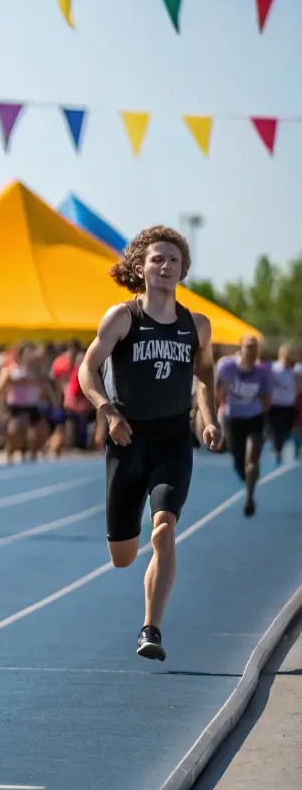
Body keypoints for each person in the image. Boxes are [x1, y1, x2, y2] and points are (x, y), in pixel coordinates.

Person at [78, 226, 222, 662]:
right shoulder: (122, 318)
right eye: (157, 259)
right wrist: (108, 411)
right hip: (127, 439)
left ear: (183, 271)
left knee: (164, 530)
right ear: (140, 267)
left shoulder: (196, 325)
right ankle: (137, 554)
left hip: (173, 440)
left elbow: (206, 374)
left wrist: (209, 419)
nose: (165, 266)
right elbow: (87, 371)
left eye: (173, 260)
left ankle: (151, 629)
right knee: (123, 556)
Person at [216, 334, 272, 516]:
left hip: (254, 417)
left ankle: (249, 498)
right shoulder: (227, 366)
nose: (252, 351)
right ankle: (247, 477)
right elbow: (217, 389)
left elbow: (267, 397)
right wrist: (221, 406)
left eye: (255, 348)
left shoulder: (263, 371)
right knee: (238, 461)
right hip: (233, 418)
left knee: (252, 462)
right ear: (241, 348)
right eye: (248, 347)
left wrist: (261, 411)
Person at [267, 344, 299, 464]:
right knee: (274, 430)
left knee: (286, 430)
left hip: (288, 405)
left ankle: (280, 446)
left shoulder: (294, 371)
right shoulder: (274, 368)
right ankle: (277, 448)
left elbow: (296, 386)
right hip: (275, 404)